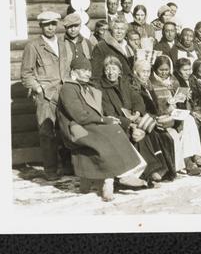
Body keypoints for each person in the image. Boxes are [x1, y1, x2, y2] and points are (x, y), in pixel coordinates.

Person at [57, 57, 147, 201]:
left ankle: (117, 177)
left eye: (89, 70)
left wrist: (106, 120)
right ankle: (118, 178)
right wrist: (103, 120)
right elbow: (79, 115)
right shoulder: (68, 88)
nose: (87, 73)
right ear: (74, 72)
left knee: (115, 128)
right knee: (110, 132)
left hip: (87, 124)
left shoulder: (84, 86)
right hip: (75, 128)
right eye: (83, 70)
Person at [97, 56, 171, 183]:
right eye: (108, 69)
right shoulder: (102, 88)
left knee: (148, 130)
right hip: (118, 123)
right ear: (104, 71)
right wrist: (130, 124)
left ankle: (156, 168)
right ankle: (147, 171)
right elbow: (109, 112)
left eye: (114, 69)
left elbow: (137, 99)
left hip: (132, 119)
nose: (111, 72)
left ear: (120, 71)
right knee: (137, 134)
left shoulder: (124, 84)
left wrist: (137, 113)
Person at [20, 11, 72, 180]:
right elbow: (26, 74)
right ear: (41, 26)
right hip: (45, 96)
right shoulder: (33, 46)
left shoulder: (63, 43)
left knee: (65, 129)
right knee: (47, 133)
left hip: (64, 93)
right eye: (46, 24)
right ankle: (50, 170)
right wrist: (38, 89)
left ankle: (67, 167)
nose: (50, 27)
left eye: (53, 24)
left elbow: (68, 67)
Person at [148, 56, 201, 176]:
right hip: (162, 116)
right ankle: (188, 161)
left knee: (189, 120)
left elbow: (180, 103)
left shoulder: (173, 81)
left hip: (174, 113)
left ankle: (190, 157)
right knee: (183, 124)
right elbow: (152, 105)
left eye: (166, 70)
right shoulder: (151, 82)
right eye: (161, 70)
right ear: (155, 69)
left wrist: (182, 98)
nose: (164, 73)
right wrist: (167, 104)